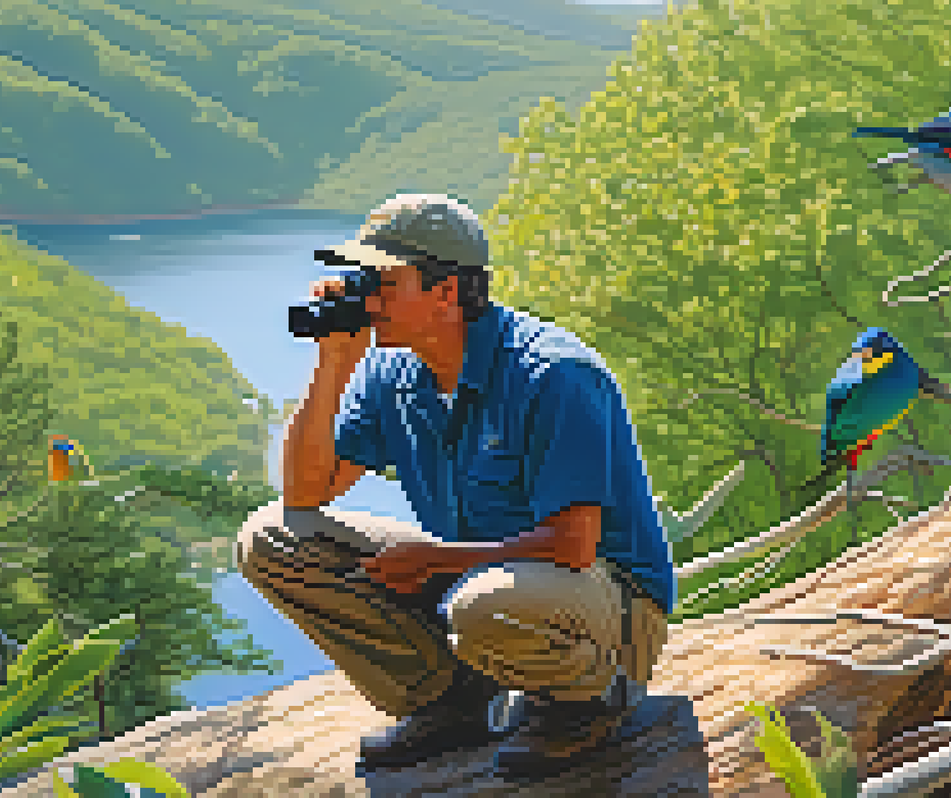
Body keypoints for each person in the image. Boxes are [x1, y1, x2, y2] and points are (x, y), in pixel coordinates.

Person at [235, 193, 675, 779]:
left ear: (445, 291)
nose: (367, 297)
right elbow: (306, 494)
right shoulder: (395, 372)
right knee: (272, 539)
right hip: (488, 584)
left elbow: (574, 546)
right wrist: (335, 360)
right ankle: (450, 701)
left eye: (384, 282)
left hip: (606, 611)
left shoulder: (553, 374)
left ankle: (588, 704)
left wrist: (440, 560)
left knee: (484, 603)